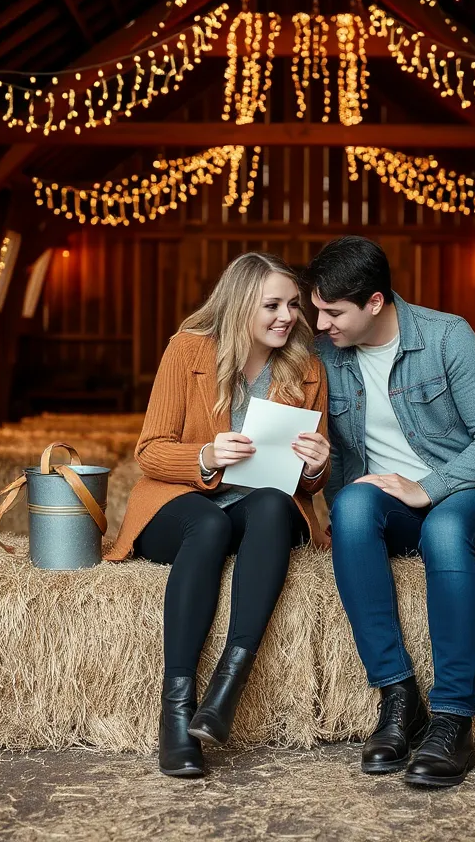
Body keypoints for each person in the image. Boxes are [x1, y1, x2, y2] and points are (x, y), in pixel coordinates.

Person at [303, 236, 475, 788]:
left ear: (375, 303)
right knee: (353, 506)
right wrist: (320, 465)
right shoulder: (325, 355)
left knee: (448, 529)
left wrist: (428, 488)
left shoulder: (447, 337)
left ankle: (453, 719)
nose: (321, 323)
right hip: (394, 508)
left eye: (333, 313)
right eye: (317, 310)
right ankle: (399, 698)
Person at [105, 253, 331, 778]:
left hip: (259, 512)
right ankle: (176, 714)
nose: (287, 317)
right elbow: (149, 451)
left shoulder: (307, 368)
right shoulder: (188, 351)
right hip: (181, 506)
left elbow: (307, 480)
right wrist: (206, 455)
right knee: (209, 524)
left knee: (275, 503)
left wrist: (319, 466)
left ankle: (225, 691)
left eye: (293, 305)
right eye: (272, 305)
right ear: (237, 306)